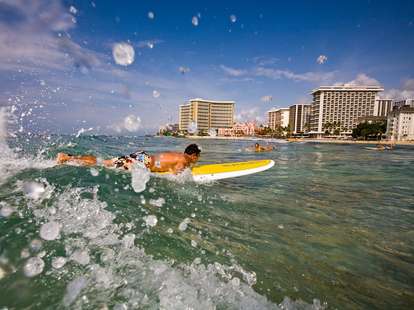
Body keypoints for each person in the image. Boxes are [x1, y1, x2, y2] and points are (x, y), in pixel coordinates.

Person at [56, 143, 202, 174]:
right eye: (198, 157)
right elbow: (176, 175)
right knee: (102, 164)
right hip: (141, 162)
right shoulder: (184, 160)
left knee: (105, 162)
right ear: (193, 155)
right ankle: (68, 158)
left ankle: (69, 157)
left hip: (142, 157)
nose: (197, 159)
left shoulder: (178, 154)